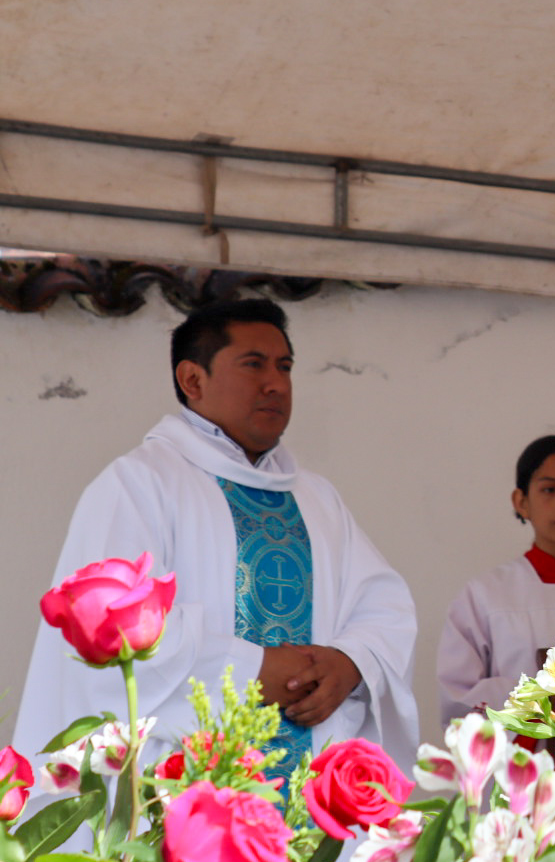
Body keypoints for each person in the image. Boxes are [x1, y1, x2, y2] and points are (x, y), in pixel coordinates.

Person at [15, 299, 419, 781]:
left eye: (284, 366)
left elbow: (384, 610)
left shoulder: (315, 498)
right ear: (193, 380)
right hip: (183, 785)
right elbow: (108, 629)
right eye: (253, 364)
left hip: (309, 785)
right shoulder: (139, 484)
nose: (276, 383)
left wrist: (351, 664)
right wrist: (250, 668)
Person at [437, 435, 555, 728]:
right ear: (521, 501)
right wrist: (542, 695)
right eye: (550, 489)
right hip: (519, 764)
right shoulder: (485, 595)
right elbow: (457, 698)